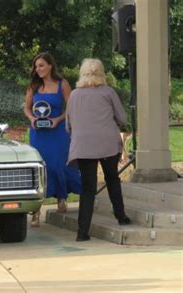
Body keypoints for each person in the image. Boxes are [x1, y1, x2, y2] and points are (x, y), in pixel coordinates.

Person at [66, 58, 131, 242]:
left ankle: (82, 231)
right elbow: (122, 118)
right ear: (102, 73)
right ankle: (121, 216)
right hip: (108, 143)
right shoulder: (108, 92)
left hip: (83, 145)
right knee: (112, 178)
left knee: (88, 187)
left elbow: (68, 124)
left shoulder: (74, 95)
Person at [24, 52, 82, 227]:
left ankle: (61, 198)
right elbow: (26, 108)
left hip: (58, 133)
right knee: (41, 169)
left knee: (59, 165)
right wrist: (32, 118)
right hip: (39, 134)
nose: (38, 69)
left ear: (50, 66)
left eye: (41, 65)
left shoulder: (62, 85)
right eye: (36, 66)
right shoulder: (33, 87)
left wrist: (58, 119)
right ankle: (35, 212)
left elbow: (72, 108)